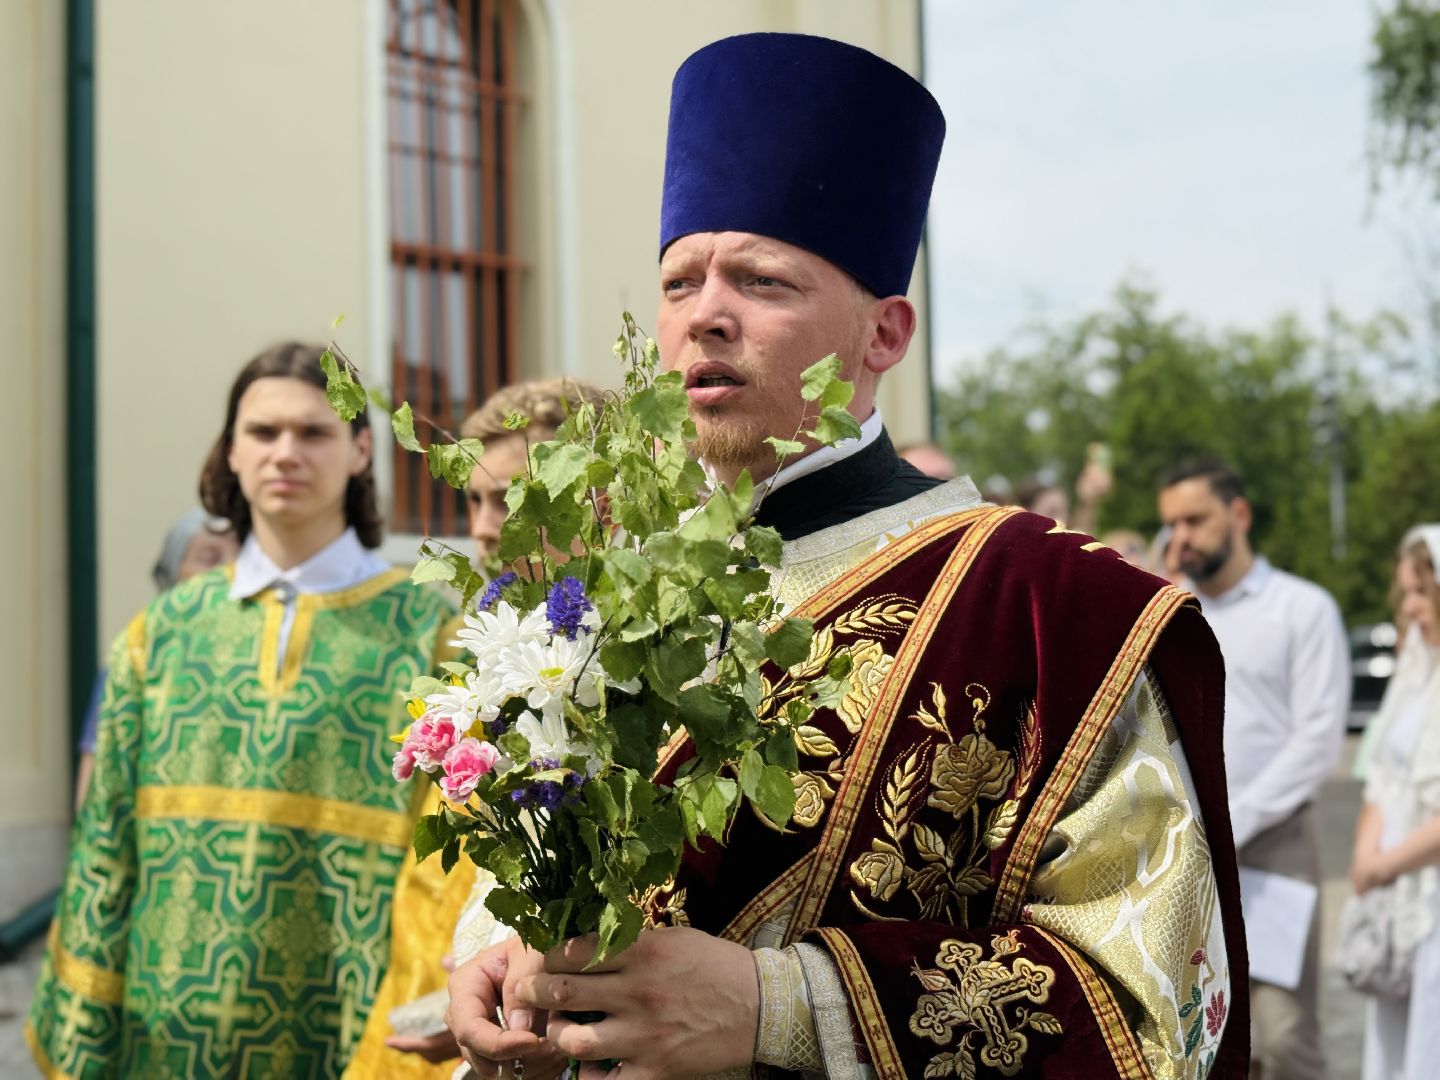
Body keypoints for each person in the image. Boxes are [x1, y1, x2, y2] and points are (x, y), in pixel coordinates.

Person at [447, 33, 1249, 1080]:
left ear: (886, 333)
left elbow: (1156, 1009)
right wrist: (506, 962)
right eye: (681, 281)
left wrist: (779, 1007)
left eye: (764, 281)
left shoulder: (1056, 611)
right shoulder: (600, 600)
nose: (708, 317)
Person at [27, 342, 457, 1078]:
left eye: (313, 432)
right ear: (230, 452)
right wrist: (85, 1024)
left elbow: (444, 872)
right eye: (262, 433)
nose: (285, 453)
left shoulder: (430, 635)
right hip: (162, 1038)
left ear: (360, 450)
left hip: (350, 1034)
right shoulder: (157, 634)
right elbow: (105, 847)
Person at [344, 377, 608, 1080]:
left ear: (599, 496)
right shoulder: (501, 653)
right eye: (475, 501)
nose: (484, 528)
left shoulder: (643, 662)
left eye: (512, 498)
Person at [1158, 458, 1349, 1080]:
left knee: (1285, 1035)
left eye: (1195, 520)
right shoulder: (1164, 616)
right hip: (1177, 859)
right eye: (1171, 525)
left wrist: (1231, 823)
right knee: (1190, 1036)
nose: (1181, 537)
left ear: (1238, 514)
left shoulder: (1302, 609)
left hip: (1273, 850)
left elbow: (1317, 740)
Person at [1349, 525, 1440, 1079]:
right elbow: (1383, 772)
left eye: (1421, 592)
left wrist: (1383, 863)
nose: (1409, 606)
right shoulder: (1417, 671)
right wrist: (1365, 854)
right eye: (1404, 592)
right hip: (1397, 889)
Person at [72, 509, 239, 807]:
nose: (228, 571)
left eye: (240, 557)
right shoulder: (139, 657)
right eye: (209, 558)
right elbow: (96, 784)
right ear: (175, 571)